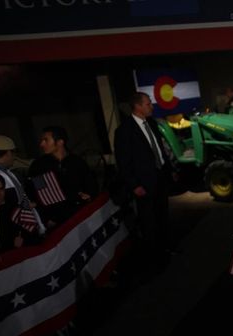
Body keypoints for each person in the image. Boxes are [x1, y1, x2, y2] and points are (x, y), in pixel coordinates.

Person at [113, 92, 178, 275]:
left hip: (160, 178)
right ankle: (154, 258)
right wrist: (134, 185)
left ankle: (166, 248)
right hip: (144, 184)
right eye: (148, 104)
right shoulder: (124, 131)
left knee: (163, 215)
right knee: (149, 222)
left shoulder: (151, 124)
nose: (152, 106)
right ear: (138, 106)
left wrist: (169, 169)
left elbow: (159, 148)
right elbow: (124, 162)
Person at [27, 126, 98, 228]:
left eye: (46, 140)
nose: (41, 144)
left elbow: (91, 185)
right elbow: (36, 193)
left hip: (80, 217)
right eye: (42, 140)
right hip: (55, 222)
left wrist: (88, 195)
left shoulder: (77, 162)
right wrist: (47, 218)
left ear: (60, 142)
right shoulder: (39, 166)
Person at [0, 134, 46, 247]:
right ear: (8, 152)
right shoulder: (0, 176)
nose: (14, 157)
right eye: (13, 153)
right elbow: (5, 211)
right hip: (16, 237)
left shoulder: (7, 172)